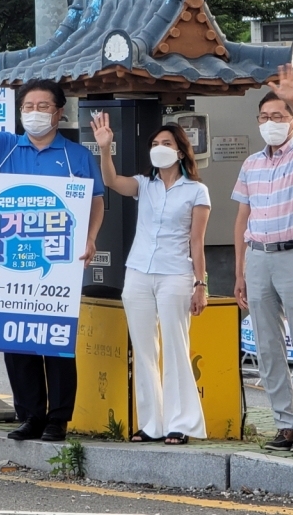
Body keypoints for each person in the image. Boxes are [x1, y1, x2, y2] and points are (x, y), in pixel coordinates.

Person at [0, 76, 105, 443]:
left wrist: (91, 237)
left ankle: (58, 420)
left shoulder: (75, 156)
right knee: (17, 343)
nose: (34, 113)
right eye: (27, 107)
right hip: (9, 266)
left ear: (59, 112)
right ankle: (30, 415)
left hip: (57, 266)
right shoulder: (5, 146)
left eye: (43, 107)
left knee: (57, 343)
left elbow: (96, 200)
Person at [91, 115, 210, 445]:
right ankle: (151, 424)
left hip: (176, 273)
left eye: (167, 144)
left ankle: (179, 423)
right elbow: (112, 180)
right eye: (155, 144)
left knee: (175, 347)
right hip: (139, 272)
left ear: (182, 152)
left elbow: (197, 242)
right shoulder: (145, 185)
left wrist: (201, 285)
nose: (160, 149)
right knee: (143, 349)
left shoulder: (196, 191)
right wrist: (104, 148)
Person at [231, 64, 293, 455]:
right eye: (265, 117)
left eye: (279, 116)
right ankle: (284, 423)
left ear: (290, 120)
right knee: (267, 346)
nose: (271, 122)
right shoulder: (252, 163)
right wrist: (239, 272)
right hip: (258, 256)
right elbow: (242, 218)